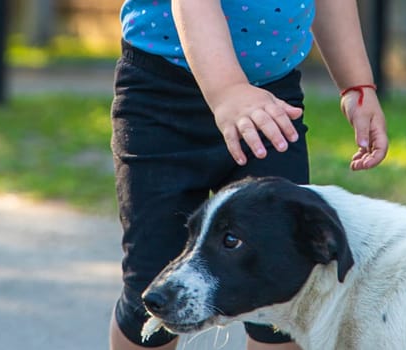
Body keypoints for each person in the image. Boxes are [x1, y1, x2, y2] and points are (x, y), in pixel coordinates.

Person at [109, 0, 389, 348]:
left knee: (287, 282)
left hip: (271, 101)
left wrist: (356, 86)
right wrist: (228, 91)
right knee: (152, 290)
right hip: (163, 97)